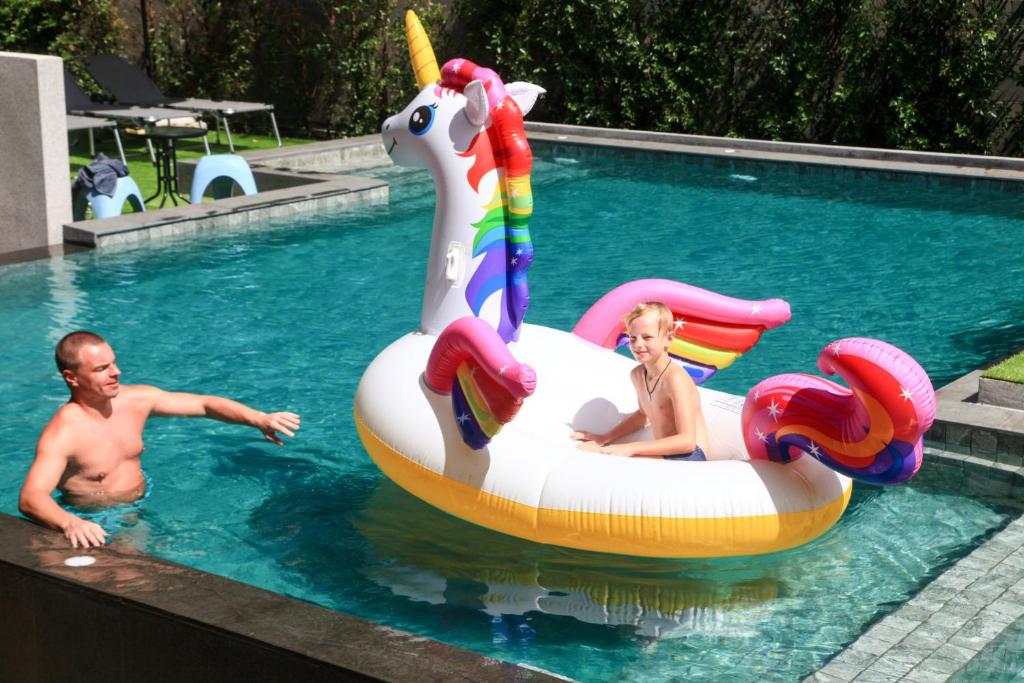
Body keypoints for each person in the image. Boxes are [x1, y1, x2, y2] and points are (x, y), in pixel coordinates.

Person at [19, 330, 301, 549]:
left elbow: (203, 404)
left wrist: (258, 418)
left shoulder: (134, 400)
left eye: (114, 363)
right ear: (72, 377)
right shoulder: (64, 431)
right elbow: (32, 497)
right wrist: (71, 524)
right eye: (101, 368)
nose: (116, 372)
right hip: (98, 519)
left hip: (143, 502)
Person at [570, 302, 709, 460]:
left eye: (647, 337)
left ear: (668, 339)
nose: (638, 344)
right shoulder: (637, 375)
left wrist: (629, 448)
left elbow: (687, 441)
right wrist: (604, 439)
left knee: (610, 461)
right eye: (632, 338)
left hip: (691, 455)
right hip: (667, 453)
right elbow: (644, 414)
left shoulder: (675, 379)